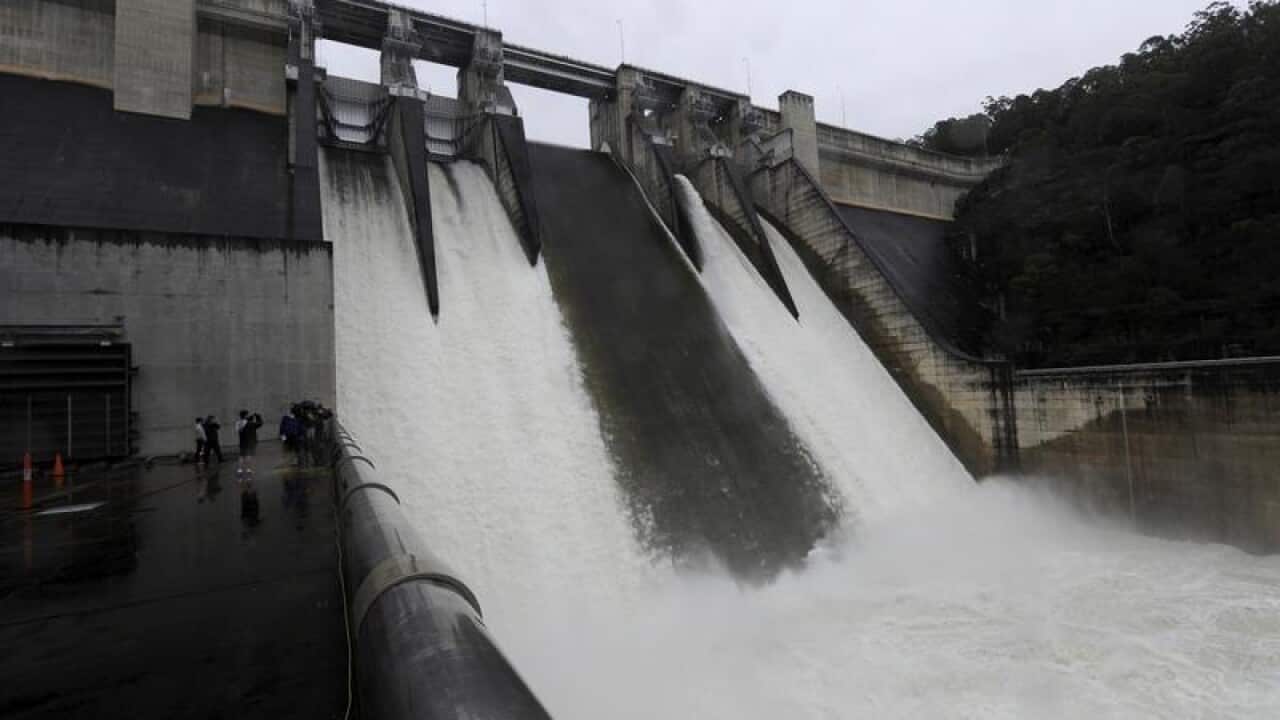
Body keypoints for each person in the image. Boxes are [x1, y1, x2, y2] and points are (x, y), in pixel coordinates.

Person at [235, 410, 263, 479]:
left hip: (242, 442)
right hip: (250, 442)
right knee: (249, 456)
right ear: (245, 415)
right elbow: (260, 424)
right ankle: (248, 469)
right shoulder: (250, 423)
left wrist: (250, 417)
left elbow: (239, 428)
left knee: (241, 456)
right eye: (247, 414)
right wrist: (258, 416)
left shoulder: (238, 423)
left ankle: (239, 469)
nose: (248, 415)